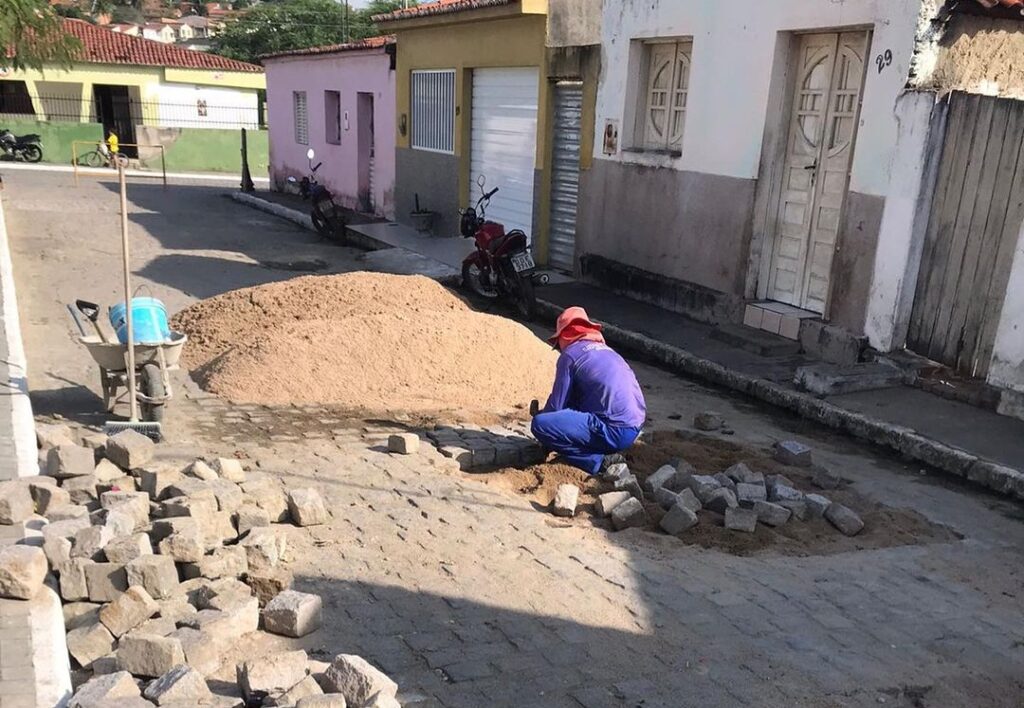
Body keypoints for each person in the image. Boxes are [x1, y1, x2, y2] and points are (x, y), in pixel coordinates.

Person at [531, 306, 646, 475]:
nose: (560, 349)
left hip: (613, 431)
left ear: (564, 336)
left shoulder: (569, 355)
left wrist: (544, 420)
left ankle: (598, 462)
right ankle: (605, 447)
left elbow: (556, 407)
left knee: (540, 425)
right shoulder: (609, 352)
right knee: (575, 404)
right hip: (634, 427)